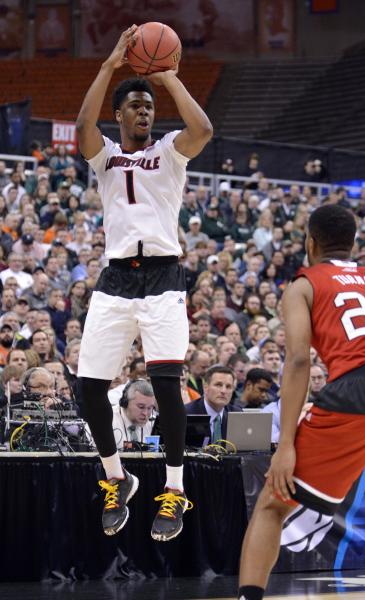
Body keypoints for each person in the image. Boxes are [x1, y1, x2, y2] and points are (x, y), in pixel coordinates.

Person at [237, 204, 365, 600]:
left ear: (310, 243)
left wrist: (285, 444)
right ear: (354, 244)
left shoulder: (304, 284)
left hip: (356, 393)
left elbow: (300, 359)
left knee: (273, 502)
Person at [75, 25, 212, 539]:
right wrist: (111, 65)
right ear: (120, 114)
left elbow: (205, 130)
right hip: (114, 279)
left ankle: (174, 492)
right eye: (134, 106)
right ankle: (118, 477)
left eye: (148, 106)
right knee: (89, 390)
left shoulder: (173, 150)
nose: (143, 112)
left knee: (166, 387)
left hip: (163, 277)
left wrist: (168, 77)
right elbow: (83, 122)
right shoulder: (106, 155)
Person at [185, 366, 242, 443]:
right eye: (218, 385)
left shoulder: (237, 414)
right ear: (205, 387)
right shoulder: (188, 413)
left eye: (228, 387)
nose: (223, 391)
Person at [111, 379, 156, 450]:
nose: (146, 413)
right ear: (126, 402)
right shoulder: (107, 420)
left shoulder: (154, 422)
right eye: (141, 407)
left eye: (150, 408)